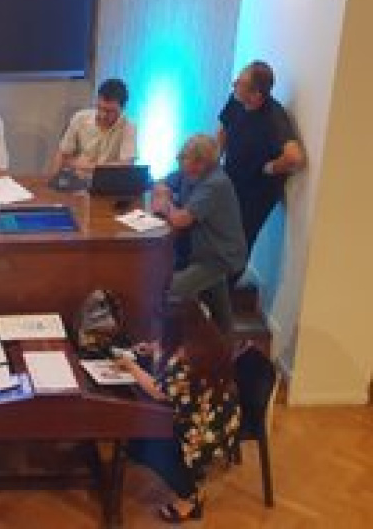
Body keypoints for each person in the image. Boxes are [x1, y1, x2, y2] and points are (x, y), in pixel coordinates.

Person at [115, 299, 241, 523]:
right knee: (139, 440)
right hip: (223, 414)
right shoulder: (206, 337)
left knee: (147, 446)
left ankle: (191, 497)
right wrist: (154, 348)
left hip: (203, 429)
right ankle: (189, 477)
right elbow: (171, 360)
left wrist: (131, 367)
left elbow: (158, 390)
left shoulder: (190, 359)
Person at [218, 61, 305, 282]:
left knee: (240, 241)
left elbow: (295, 157)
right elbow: (224, 129)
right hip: (232, 177)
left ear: (256, 95)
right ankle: (209, 285)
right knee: (218, 231)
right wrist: (214, 163)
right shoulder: (236, 100)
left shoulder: (274, 117)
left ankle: (224, 293)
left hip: (256, 192)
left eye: (240, 82)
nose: (234, 84)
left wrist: (269, 168)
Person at [151, 135, 246, 333]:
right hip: (201, 252)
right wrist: (164, 192)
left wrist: (166, 204)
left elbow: (181, 220)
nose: (187, 167)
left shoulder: (215, 183)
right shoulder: (188, 171)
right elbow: (161, 182)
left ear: (206, 162)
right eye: (185, 161)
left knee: (171, 290)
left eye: (195, 162)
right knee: (221, 316)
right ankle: (226, 344)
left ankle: (175, 341)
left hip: (218, 256)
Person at [49, 78, 137, 175]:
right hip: (78, 179)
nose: (102, 115)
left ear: (122, 108)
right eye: (99, 108)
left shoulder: (128, 127)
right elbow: (63, 154)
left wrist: (83, 165)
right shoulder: (80, 118)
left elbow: (126, 165)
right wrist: (51, 179)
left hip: (109, 181)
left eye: (109, 111)